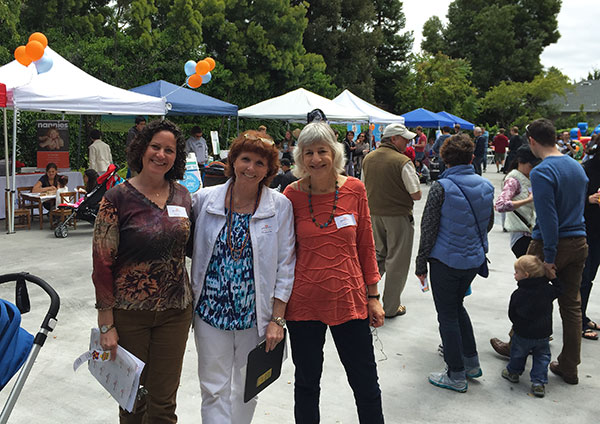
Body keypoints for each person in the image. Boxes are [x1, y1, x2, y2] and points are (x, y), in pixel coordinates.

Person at [189, 130, 295, 424]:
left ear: (269, 170)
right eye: (245, 159)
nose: (251, 168)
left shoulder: (279, 206)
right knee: (213, 389)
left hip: (255, 316)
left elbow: (286, 264)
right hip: (210, 313)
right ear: (233, 160)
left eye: (259, 163)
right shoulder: (205, 200)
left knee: (247, 389)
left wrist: (277, 319)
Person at [283, 122, 385, 424]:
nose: (316, 159)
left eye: (322, 151)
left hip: (349, 298)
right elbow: (283, 253)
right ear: (300, 157)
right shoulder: (291, 194)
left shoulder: (355, 189)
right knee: (306, 383)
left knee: (365, 382)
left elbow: (366, 244)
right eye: (308, 152)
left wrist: (374, 295)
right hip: (304, 303)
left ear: (334, 153)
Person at [92, 119, 193, 423]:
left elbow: (192, 248)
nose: (161, 155)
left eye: (169, 150)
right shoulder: (117, 198)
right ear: (142, 148)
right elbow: (102, 262)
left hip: (176, 312)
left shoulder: (183, 197)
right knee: (132, 399)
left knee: (164, 402)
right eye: (156, 147)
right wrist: (106, 324)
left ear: (177, 157)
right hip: (129, 314)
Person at [415, 133, 494, 393]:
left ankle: (456, 373)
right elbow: (489, 224)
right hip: (473, 260)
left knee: (447, 315)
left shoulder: (441, 187)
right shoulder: (486, 186)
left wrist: (420, 264)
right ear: (472, 157)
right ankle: (470, 363)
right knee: (457, 308)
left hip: (445, 261)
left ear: (444, 158)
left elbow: (428, 229)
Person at [526, 118, 588, 385]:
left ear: (531, 141)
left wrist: (549, 257)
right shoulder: (577, 167)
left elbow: (548, 218)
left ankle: (517, 346)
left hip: (551, 243)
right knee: (572, 306)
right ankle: (569, 365)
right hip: (579, 240)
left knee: (529, 296)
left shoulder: (542, 172)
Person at [363, 123, 422, 318]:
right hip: (398, 216)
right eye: (404, 138)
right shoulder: (402, 161)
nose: (407, 142)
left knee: (378, 256)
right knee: (397, 261)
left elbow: (363, 186)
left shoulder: (368, 158)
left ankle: (364, 296)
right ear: (394, 139)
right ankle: (390, 307)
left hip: (373, 215)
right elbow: (416, 194)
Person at [501, 255, 560, 398]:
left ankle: (513, 372)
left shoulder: (519, 293)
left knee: (518, 353)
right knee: (542, 357)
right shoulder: (547, 290)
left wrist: (517, 325)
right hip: (543, 333)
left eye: (516, 272)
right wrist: (553, 277)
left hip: (523, 333)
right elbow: (560, 290)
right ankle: (538, 383)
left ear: (526, 275)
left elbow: (512, 313)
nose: (514, 275)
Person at [580, 143, 600, 340]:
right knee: (583, 278)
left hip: (598, 233)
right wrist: (589, 199)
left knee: (590, 277)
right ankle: (579, 321)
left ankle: (582, 316)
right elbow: (570, 200)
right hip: (584, 231)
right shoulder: (585, 170)